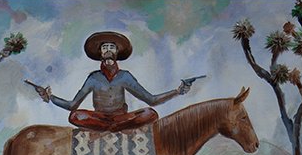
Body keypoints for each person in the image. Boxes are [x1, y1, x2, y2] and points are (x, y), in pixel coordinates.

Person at [27, 31, 195, 130]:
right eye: (104, 47)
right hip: (99, 118)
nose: (108, 50)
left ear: (117, 52)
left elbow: (150, 99)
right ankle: (112, 128)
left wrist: (177, 91)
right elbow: (73, 105)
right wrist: (50, 98)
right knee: (75, 116)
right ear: (100, 53)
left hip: (122, 119)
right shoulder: (94, 77)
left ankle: (114, 128)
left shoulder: (125, 76)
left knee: (150, 113)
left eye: (111, 47)